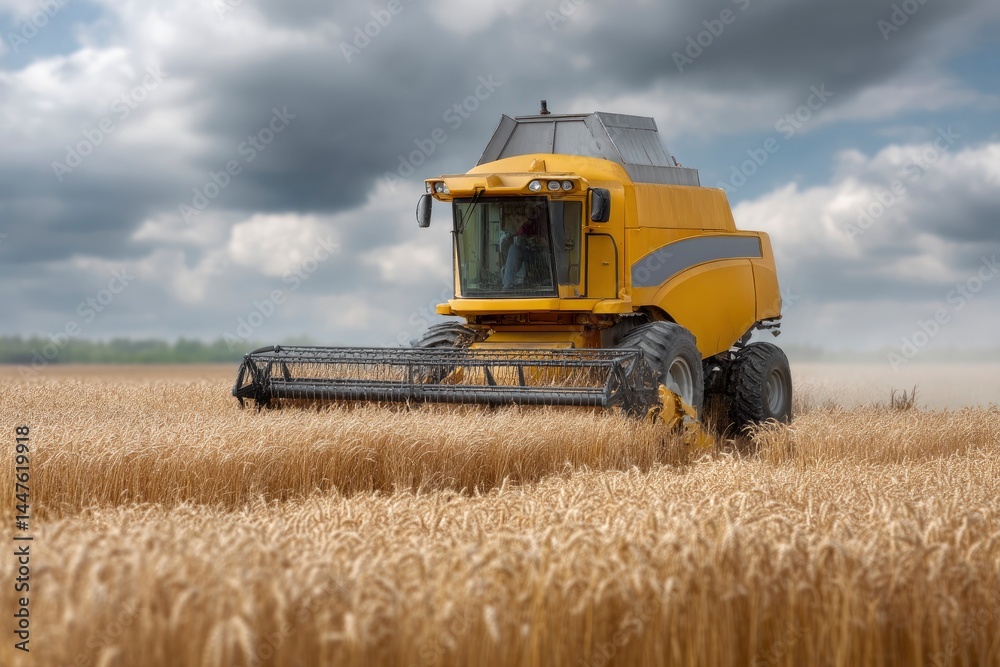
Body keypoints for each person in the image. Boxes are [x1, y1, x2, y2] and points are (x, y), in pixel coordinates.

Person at [502, 206, 544, 289]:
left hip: (539, 254)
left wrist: (537, 241)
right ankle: (507, 284)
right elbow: (518, 236)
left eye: (531, 215)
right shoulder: (523, 227)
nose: (528, 219)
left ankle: (546, 282)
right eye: (527, 216)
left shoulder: (543, 225)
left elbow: (546, 240)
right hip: (525, 253)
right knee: (513, 249)